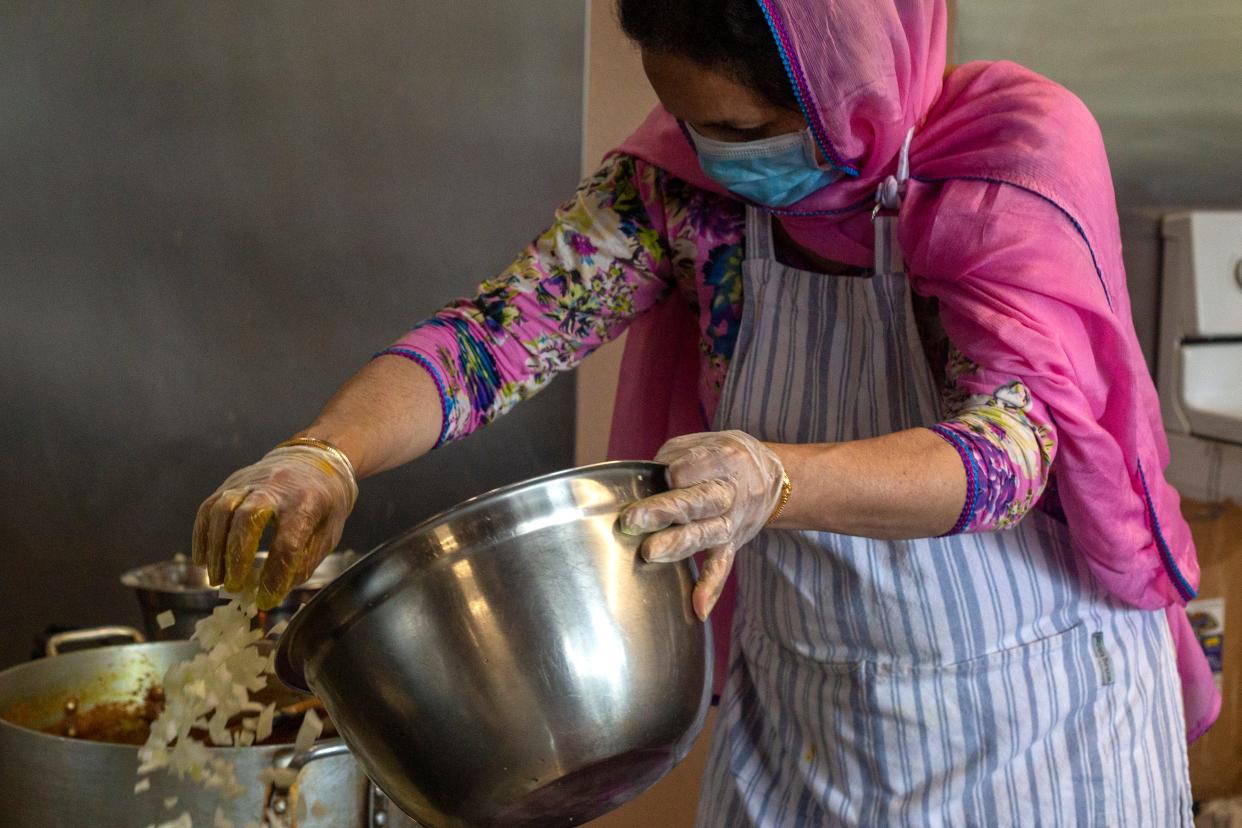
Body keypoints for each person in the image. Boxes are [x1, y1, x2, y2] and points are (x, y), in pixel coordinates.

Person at [194, 0, 1219, 823]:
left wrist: (774, 481)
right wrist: (322, 456)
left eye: (739, 130)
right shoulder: (680, 195)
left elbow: (1013, 450)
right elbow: (495, 336)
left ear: (844, 77)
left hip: (1034, 718)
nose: (711, 154)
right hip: (812, 713)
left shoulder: (1008, 164)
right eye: (685, 121)